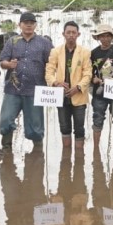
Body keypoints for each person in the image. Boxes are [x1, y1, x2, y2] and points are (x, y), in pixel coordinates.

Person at [0, 12, 53, 150]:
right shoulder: (12, 41)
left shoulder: (45, 43)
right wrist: (8, 64)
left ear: (35, 25)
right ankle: (6, 151)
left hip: (35, 90)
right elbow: (2, 61)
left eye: (31, 22)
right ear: (20, 25)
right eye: (25, 22)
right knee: (6, 120)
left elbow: (53, 64)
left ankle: (37, 154)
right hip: (13, 88)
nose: (28, 25)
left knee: (36, 126)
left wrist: (54, 82)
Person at [45, 21, 92, 154]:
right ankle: (65, 158)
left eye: (74, 32)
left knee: (79, 128)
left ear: (78, 34)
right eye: (68, 32)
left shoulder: (85, 52)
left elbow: (87, 73)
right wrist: (55, 83)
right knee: (64, 127)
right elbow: (49, 71)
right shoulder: (55, 51)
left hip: (79, 95)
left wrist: (78, 87)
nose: (71, 35)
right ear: (63, 34)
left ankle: (79, 157)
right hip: (61, 95)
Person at [89, 23, 113, 151]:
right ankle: (95, 149)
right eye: (102, 36)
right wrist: (92, 79)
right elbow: (89, 72)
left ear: (112, 37)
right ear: (98, 38)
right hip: (99, 93)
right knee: (97, 120)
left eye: (108, 36)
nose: (105, 39)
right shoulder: (93, 53)